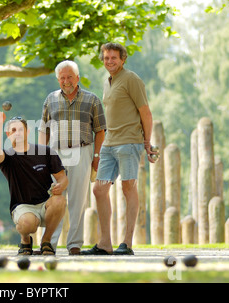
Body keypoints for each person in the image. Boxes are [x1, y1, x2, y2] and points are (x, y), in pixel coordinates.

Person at [81, 42, 157, 256]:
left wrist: (147, 142)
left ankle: (127, 243)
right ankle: (105, 243)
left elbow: (146, 113)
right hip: (109, 144)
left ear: (123, 59)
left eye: (114, 57)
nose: (110, 61)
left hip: (130, 142)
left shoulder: (131, 79)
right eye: (106, 58)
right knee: (99, 189)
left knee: (128, 188)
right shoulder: (108, 81)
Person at [38, 60, 106, 255]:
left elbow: (100, 131)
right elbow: (43, 130)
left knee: (78, 199)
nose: (66, 81)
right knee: (53, 197)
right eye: (62, 78)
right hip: (55, 153)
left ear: (77, 78)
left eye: (69, 77)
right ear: (57, 79)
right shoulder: (50, 99)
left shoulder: (92, 100)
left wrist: (96, 156)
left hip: (82, 151)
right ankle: (48, 243)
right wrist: (42, 156)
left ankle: (74, 244)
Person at [0, 105, 68, 255]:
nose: (17, 133)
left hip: (45, 205)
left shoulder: (45, 151)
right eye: (13, 130)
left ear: (28, 132)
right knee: (27, 224)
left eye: (20, 129)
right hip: (22, 207)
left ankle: (46, 241)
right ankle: (25, 240)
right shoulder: (7, 156)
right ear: (7, 134)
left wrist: (61, 185)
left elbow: (62, 177)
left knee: (59, 200)